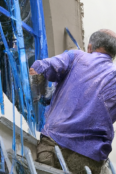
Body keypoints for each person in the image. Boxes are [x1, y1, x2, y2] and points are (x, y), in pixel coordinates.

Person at [29, 29, 116, 174]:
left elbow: (36, 69)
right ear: (113, 55)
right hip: (89, 159)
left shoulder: (76, 57)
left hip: (53, 148)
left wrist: (42, 96)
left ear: (90, 47)